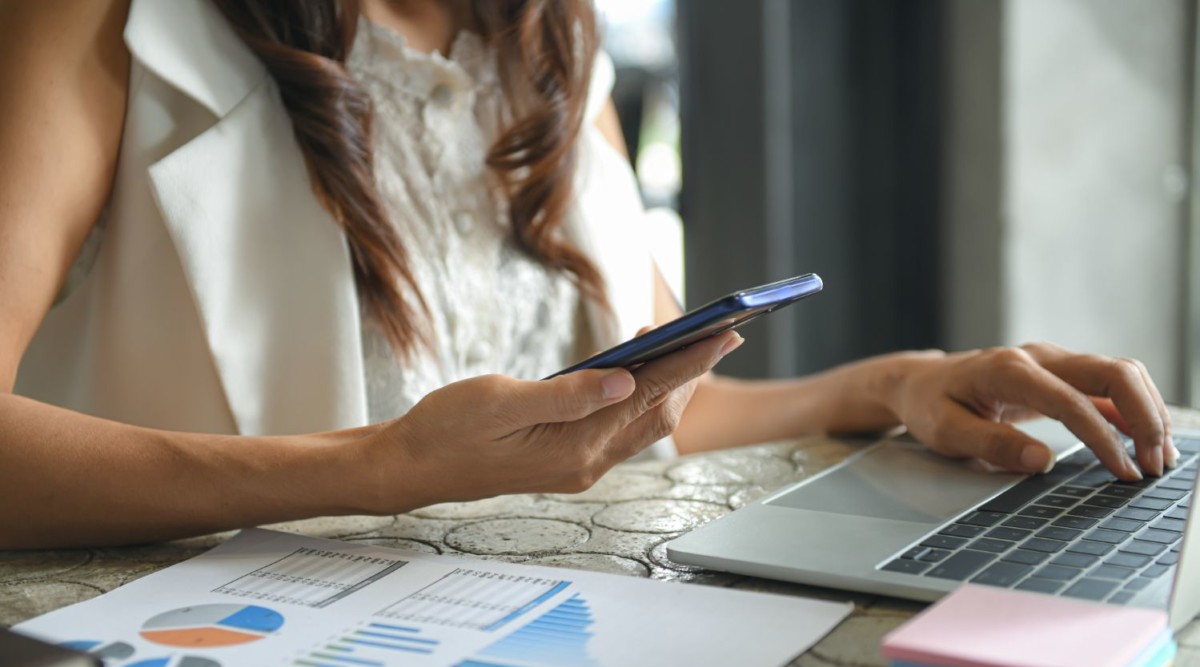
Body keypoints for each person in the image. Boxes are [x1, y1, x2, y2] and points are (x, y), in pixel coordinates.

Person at [0, 0, 1174, 549]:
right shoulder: (100, 23)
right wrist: (376, 468)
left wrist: (901, 385)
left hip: (545, 655)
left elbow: (641, 416)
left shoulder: (552, 38)